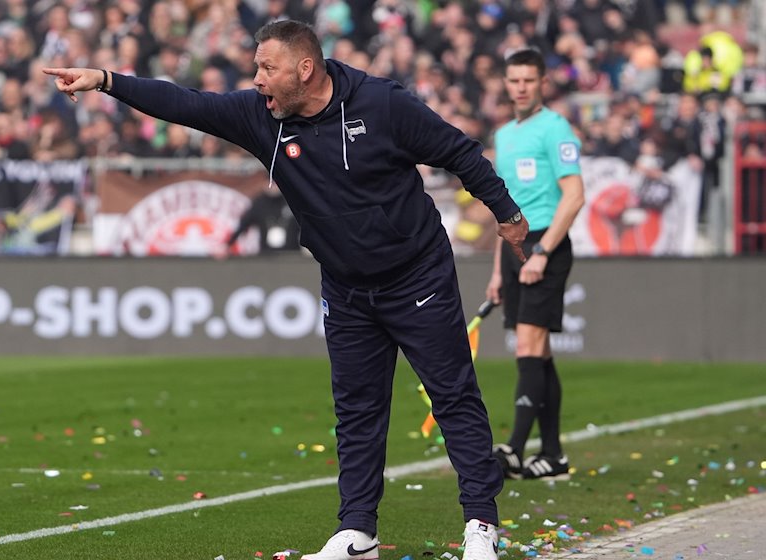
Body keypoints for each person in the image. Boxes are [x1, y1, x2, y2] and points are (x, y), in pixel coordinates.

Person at [44, 20, 528, 560]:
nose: (256, 80)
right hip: (345, 287)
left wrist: (505, 212)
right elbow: (187, 104)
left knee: (452, 396)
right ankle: (358, 531)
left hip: (416, 275)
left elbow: (459, 152)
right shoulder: (262, 117)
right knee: (357, 410)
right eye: (255, 68)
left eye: (266, 68)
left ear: (305, 68)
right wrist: (107, 79)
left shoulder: (382, 104)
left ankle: (481, 524)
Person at [486, 48, 585, 482]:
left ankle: (514, 448)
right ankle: (553, 455)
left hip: (546, 244)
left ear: (543, 82)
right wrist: (497, 270)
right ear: (506, 84)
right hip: (515, 248)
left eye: (529, 79)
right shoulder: (504, 135)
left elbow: (575, 195)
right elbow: (504, 211)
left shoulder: (555, 128)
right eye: (514, 80)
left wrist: (543, 252)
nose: (521, 87)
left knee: (528, 347)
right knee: (538, 353)